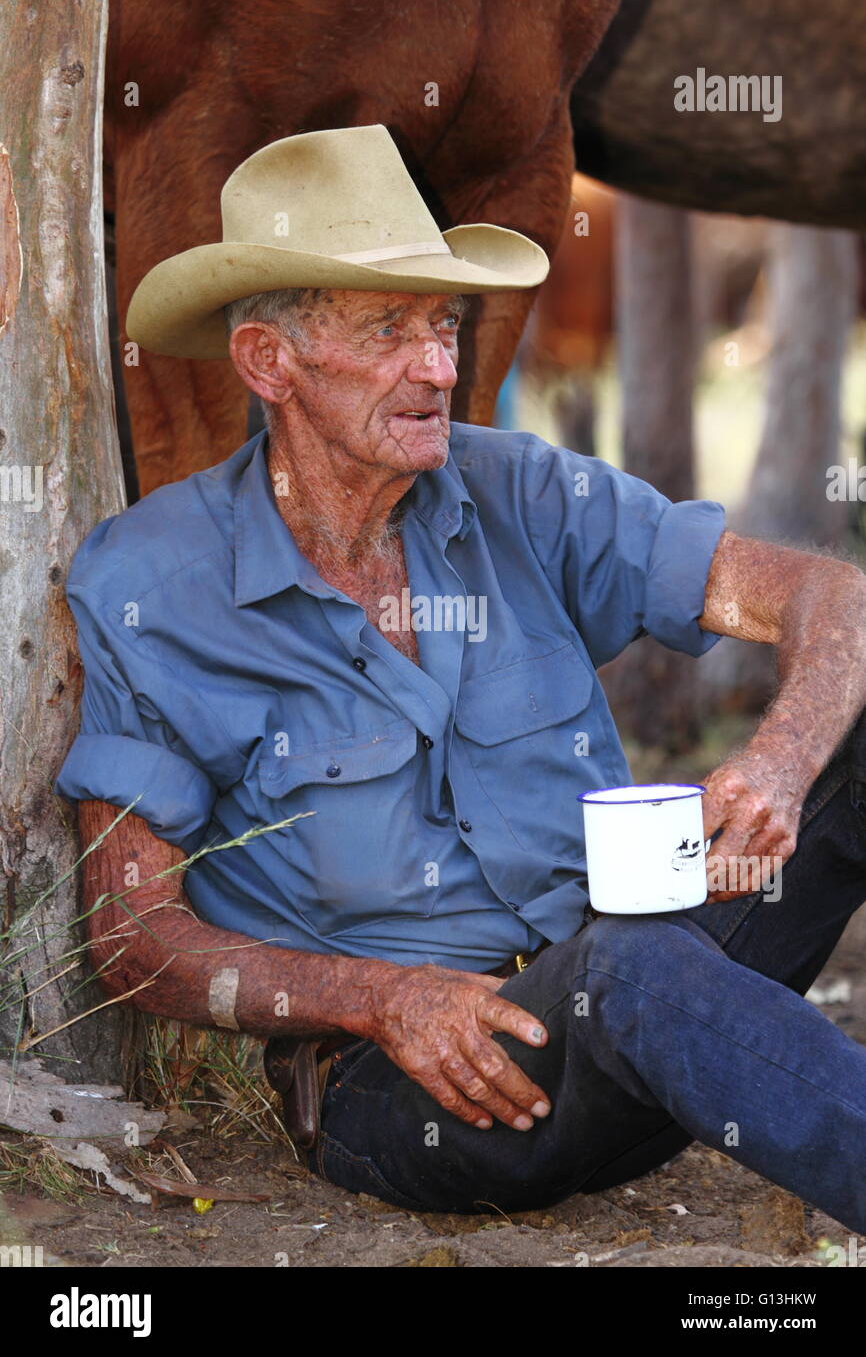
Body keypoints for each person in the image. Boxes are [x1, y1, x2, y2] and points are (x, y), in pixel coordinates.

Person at [56, 124, 866, 1229]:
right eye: (388, 329)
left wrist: (778, 759)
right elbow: (133, 937)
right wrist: (378, 998)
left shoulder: (516, 491)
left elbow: (833, 598)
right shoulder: (152, 584)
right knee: (628, 974)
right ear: (267, 362)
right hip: (412, 1091)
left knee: (826, 747)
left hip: (650, 1001)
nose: (438, 367)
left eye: (442, 324)